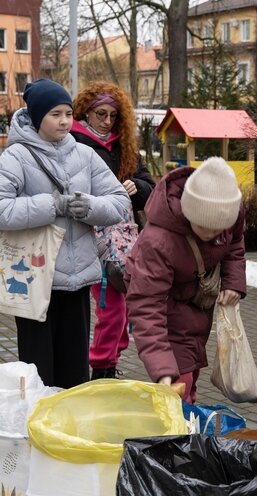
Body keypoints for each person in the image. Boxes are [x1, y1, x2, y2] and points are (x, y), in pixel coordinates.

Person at [0, 79, 129, 388]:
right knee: (39, 374)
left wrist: (90, 206)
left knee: (75, 375)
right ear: (37, 117)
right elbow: (2, 209)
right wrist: (52, 205)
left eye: (68, 113)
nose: (64, 121)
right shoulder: (16, 157)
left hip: (77, 281)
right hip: (32, 280)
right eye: (55, 114)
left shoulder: (84, 155)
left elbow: (120, 202)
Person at [125, 157, 246, 403]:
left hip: (196, 306)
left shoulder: (232, 210)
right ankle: (180, 421)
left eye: (218, 230)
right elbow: (146, 305)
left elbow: (235, 243)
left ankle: (187, 412)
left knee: (191, 374)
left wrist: (233, 281)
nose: (211, 235)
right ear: (189, 213)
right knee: (179, 380)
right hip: (166, 309)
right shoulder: (159, 241)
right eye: (203, 227)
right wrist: (162, 369)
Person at [71, 81, 156, 380]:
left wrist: (137, 187)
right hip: (88, 238)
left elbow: (150, 188)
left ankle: (109, 364)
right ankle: (101, 369)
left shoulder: (125, 145)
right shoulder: (73, 142)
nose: (107, 121)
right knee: (111, 309)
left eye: (113, 115)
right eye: (101, 114)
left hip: (125, 240)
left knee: (124, 309)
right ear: (86, 112)